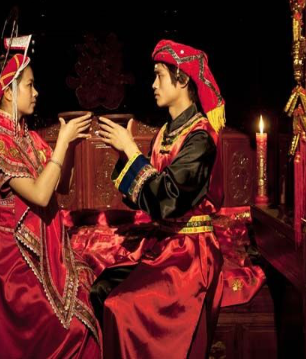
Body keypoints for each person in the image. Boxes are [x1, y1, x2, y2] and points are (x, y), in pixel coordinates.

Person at [0, 36, 101, 359]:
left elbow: (61, 186)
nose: (36, 93)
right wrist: (61, 144)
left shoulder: (30, 138)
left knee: (86, 309)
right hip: (10, 261)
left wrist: (70, 147)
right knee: (74, 329)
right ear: (9, 91)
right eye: (30, 85)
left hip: (37, 251)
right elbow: (40, 194)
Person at [91, 39, 226, 359]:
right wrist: (125, 154)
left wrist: (131, 150)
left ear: (182, 80)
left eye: (159, 76)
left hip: (190, 253)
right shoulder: (167, 131)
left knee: (119, 306)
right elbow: (146, 198)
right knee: (99, 288)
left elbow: (169, 198)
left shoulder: (200, 137)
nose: (153, 84)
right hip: (165, 243)